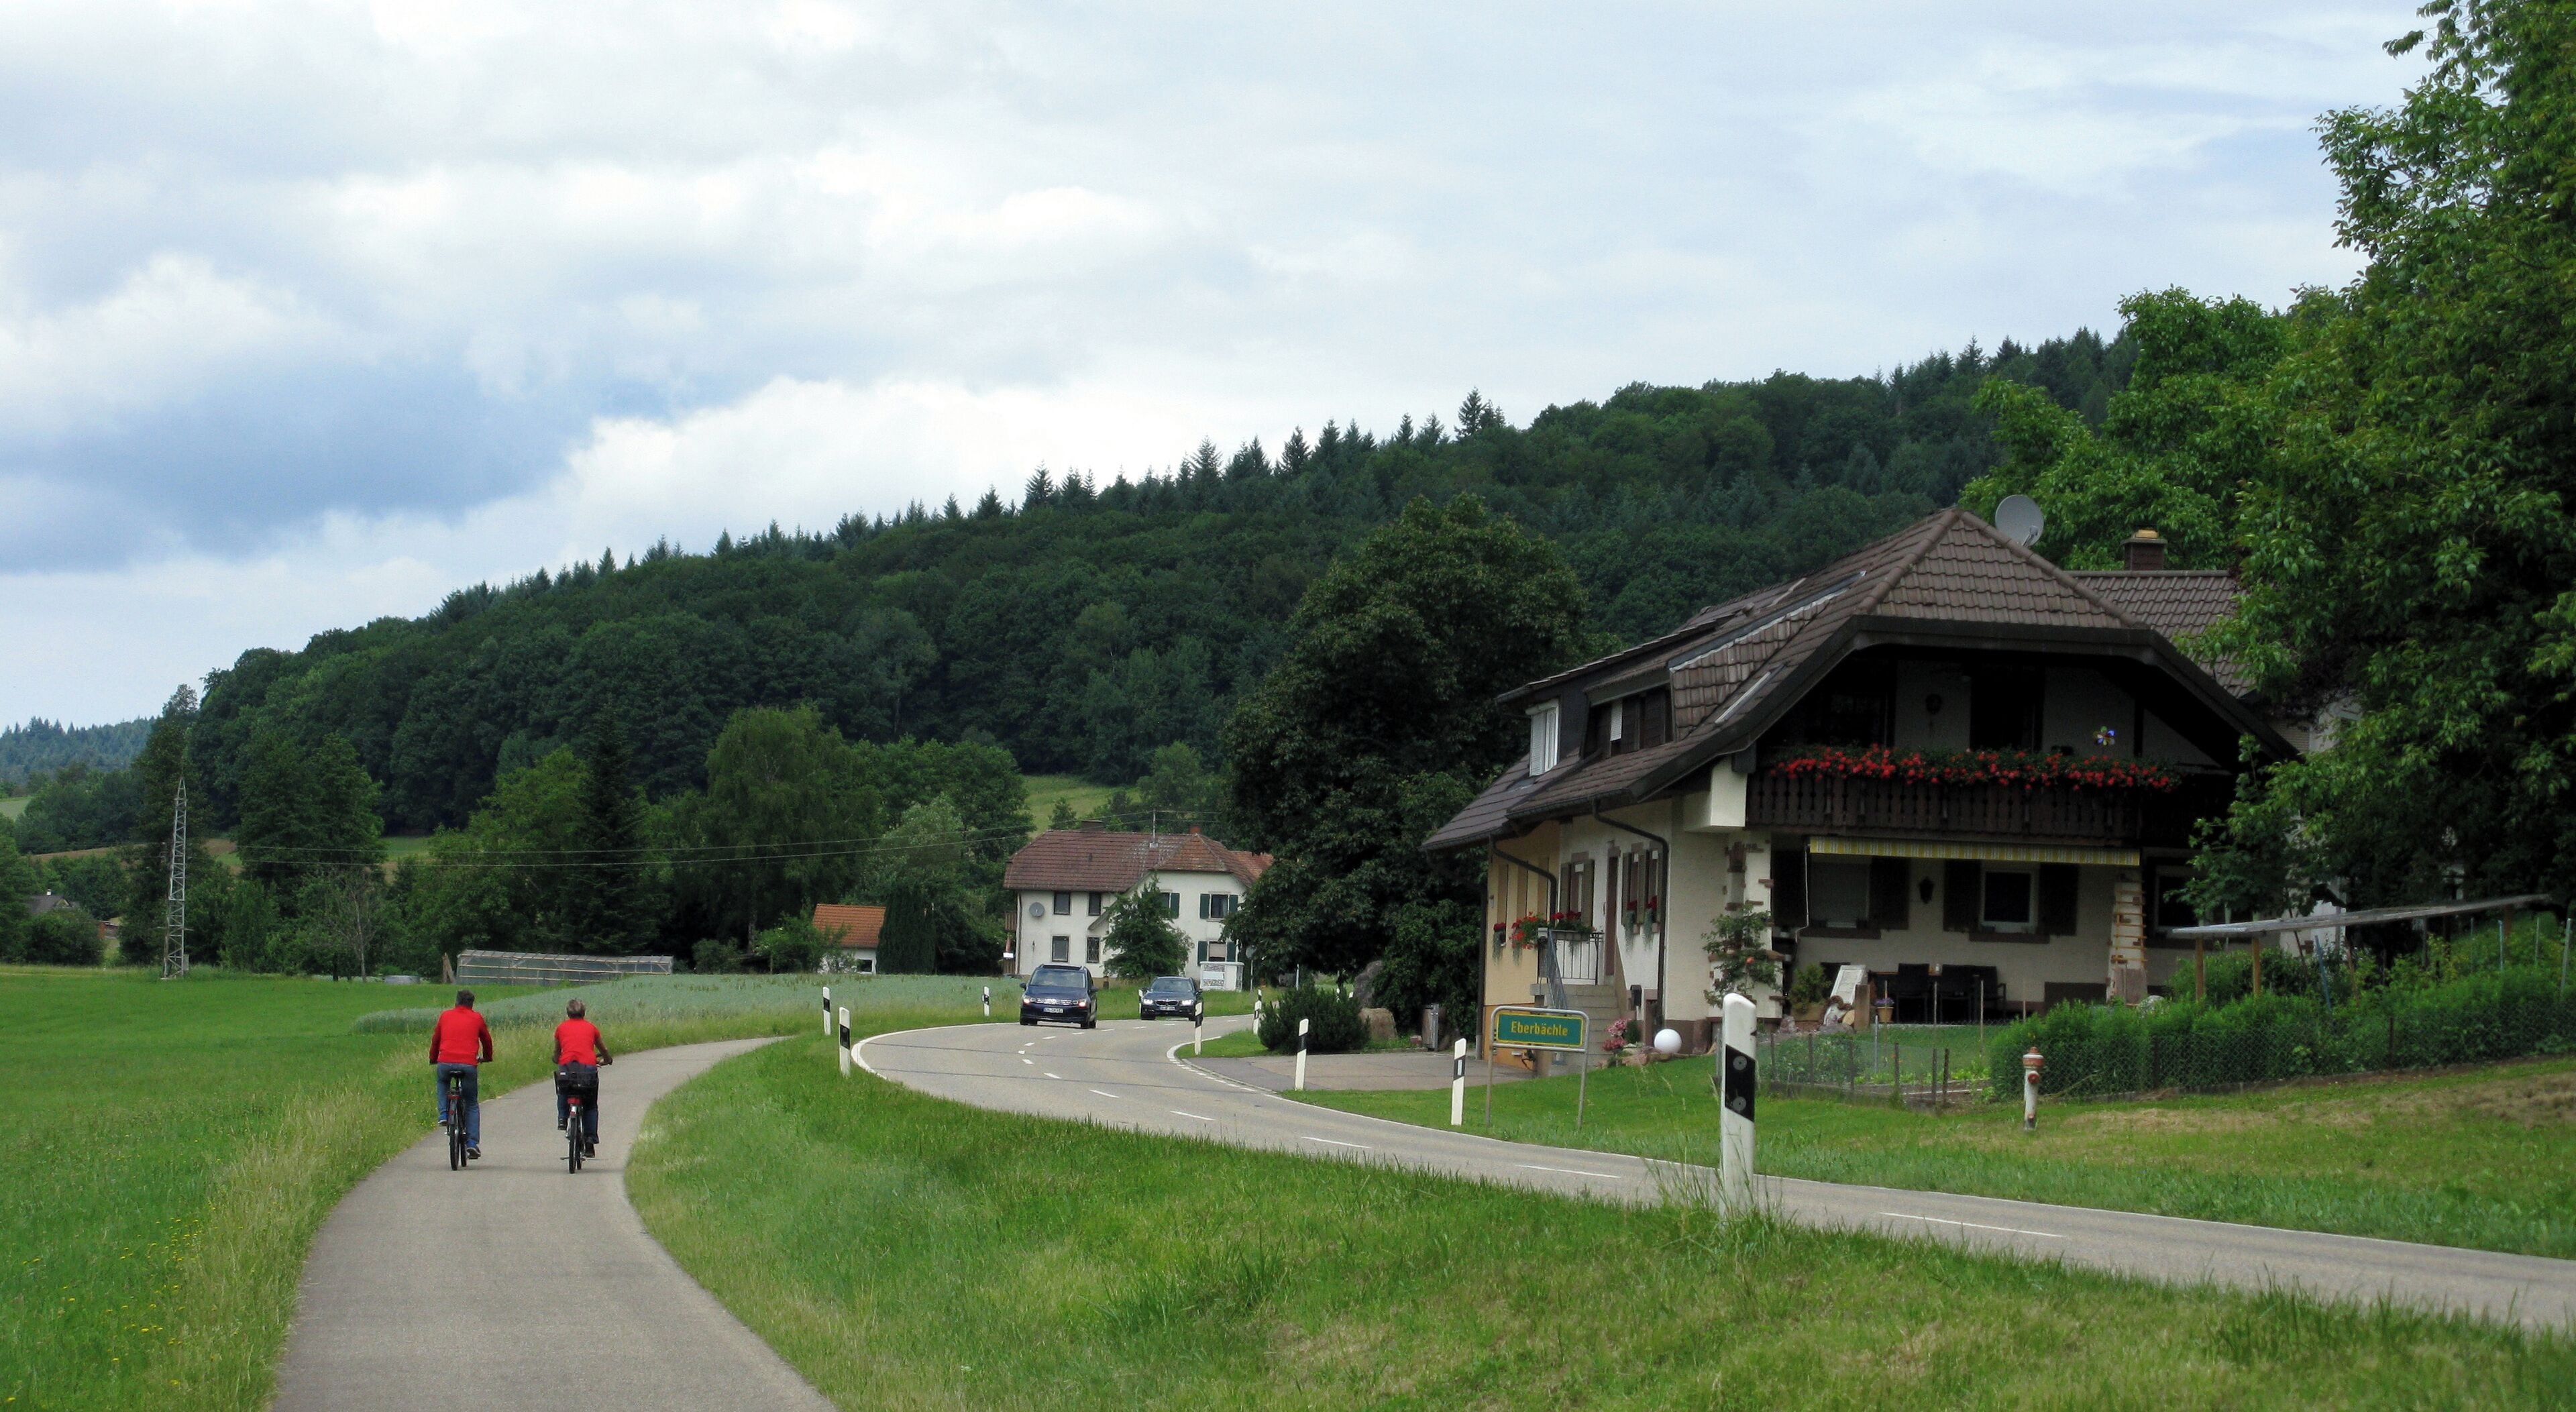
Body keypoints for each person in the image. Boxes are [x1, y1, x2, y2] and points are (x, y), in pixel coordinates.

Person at [429, 989, 495, 1159]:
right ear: (472, 1004)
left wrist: (433, 1058)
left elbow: (436, 1040)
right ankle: (472, 1143)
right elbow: (486, 1040)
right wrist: (487, 1057)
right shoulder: (477, 1018)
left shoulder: (445, 1016)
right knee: (471, 1103)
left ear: (456, 1002)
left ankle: (444, 1114)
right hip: (468, 1064)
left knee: (443, 1082)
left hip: (445, 1062)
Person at [553, 997, 613, 1155]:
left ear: (568, 1013)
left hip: (567, 1068)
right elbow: (604, 1049)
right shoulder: (591, 1028)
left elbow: (557, 1052)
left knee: (563, 1090)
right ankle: (590, 1141)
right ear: (584, 1013)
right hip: (588, 1070)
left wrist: (557, 1059)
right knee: (590, 1106)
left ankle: (562, 1118)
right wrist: (607, 1059)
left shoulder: (561, 1028)